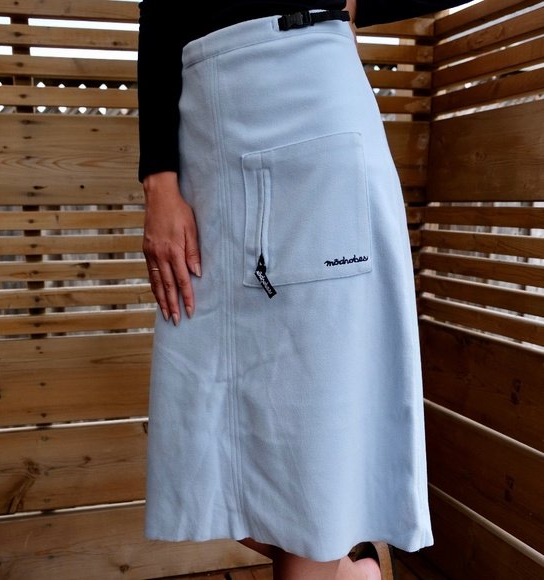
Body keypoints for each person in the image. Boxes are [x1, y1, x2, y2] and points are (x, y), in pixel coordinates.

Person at [137, 2, 470, 579]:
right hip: (210, 128)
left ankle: (347, 568)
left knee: (309, 421)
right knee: (205, 439)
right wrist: (159, 179)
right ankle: (352, 569)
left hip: (310, 106)